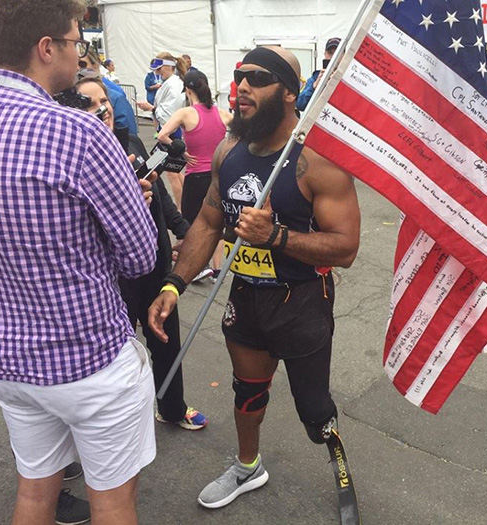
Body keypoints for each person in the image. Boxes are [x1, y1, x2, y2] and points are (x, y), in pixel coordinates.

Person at [147, 45, 361, 510]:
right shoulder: (230, 149)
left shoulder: (318, 159)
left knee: (313, 408)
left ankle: (337, 461)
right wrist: (173, 284)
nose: (242, 86)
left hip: (300, 300)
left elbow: (346, 247)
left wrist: (277, 236)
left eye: (258, 78)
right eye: (240, 76)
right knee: (248, 388)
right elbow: (206, 222)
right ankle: (248, 466)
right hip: (245, 296)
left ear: (288, 93)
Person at [0, 1, 158, 524]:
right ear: (46, 47)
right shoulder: (77, 132)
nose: (81, 55)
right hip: (89, 362)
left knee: (34, 493)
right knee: (114, 502)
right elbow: (141, 256)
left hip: (5, 360)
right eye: (78, 42)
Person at [76, 75, 209, 431]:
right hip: (111, 275)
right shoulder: (73, 157)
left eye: (103, 99)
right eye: (89, 103)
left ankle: (171, 406)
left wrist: (185, 232)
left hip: (155, 265)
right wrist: (125, 203)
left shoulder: (130, 140)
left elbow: (160, 190)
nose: (102, 108)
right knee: (119, 354)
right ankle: (114, 421)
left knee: (166, 340)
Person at [158, 70, 232, 281]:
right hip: (218, 178)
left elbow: (162, 135)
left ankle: (197, 267)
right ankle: (217, 271)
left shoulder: (186, 113)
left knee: (192, 225)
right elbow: (241, 135)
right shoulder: (223, 114)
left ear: (188, 90)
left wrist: (180, 149)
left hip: (196, 177)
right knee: (217, 224)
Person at [138, 52, 188, 209]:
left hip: (169, 133)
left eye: (159, 70)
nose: (157, 73)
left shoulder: (173, 84)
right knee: (176, 172)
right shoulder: (173, 82)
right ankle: (187, 204)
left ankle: (181, 209)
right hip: (169, 132)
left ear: (167, 67)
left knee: (172, 173)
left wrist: (151, 108)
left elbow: (168, 114)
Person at [296, 37, 340, 112]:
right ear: (325, 54)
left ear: (344, 55)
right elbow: (300, 105)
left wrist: (338, 84)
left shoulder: (349, 78)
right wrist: (314, 87)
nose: (333, 57)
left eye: (337, 53)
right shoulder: (316, 77)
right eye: (330, 53)